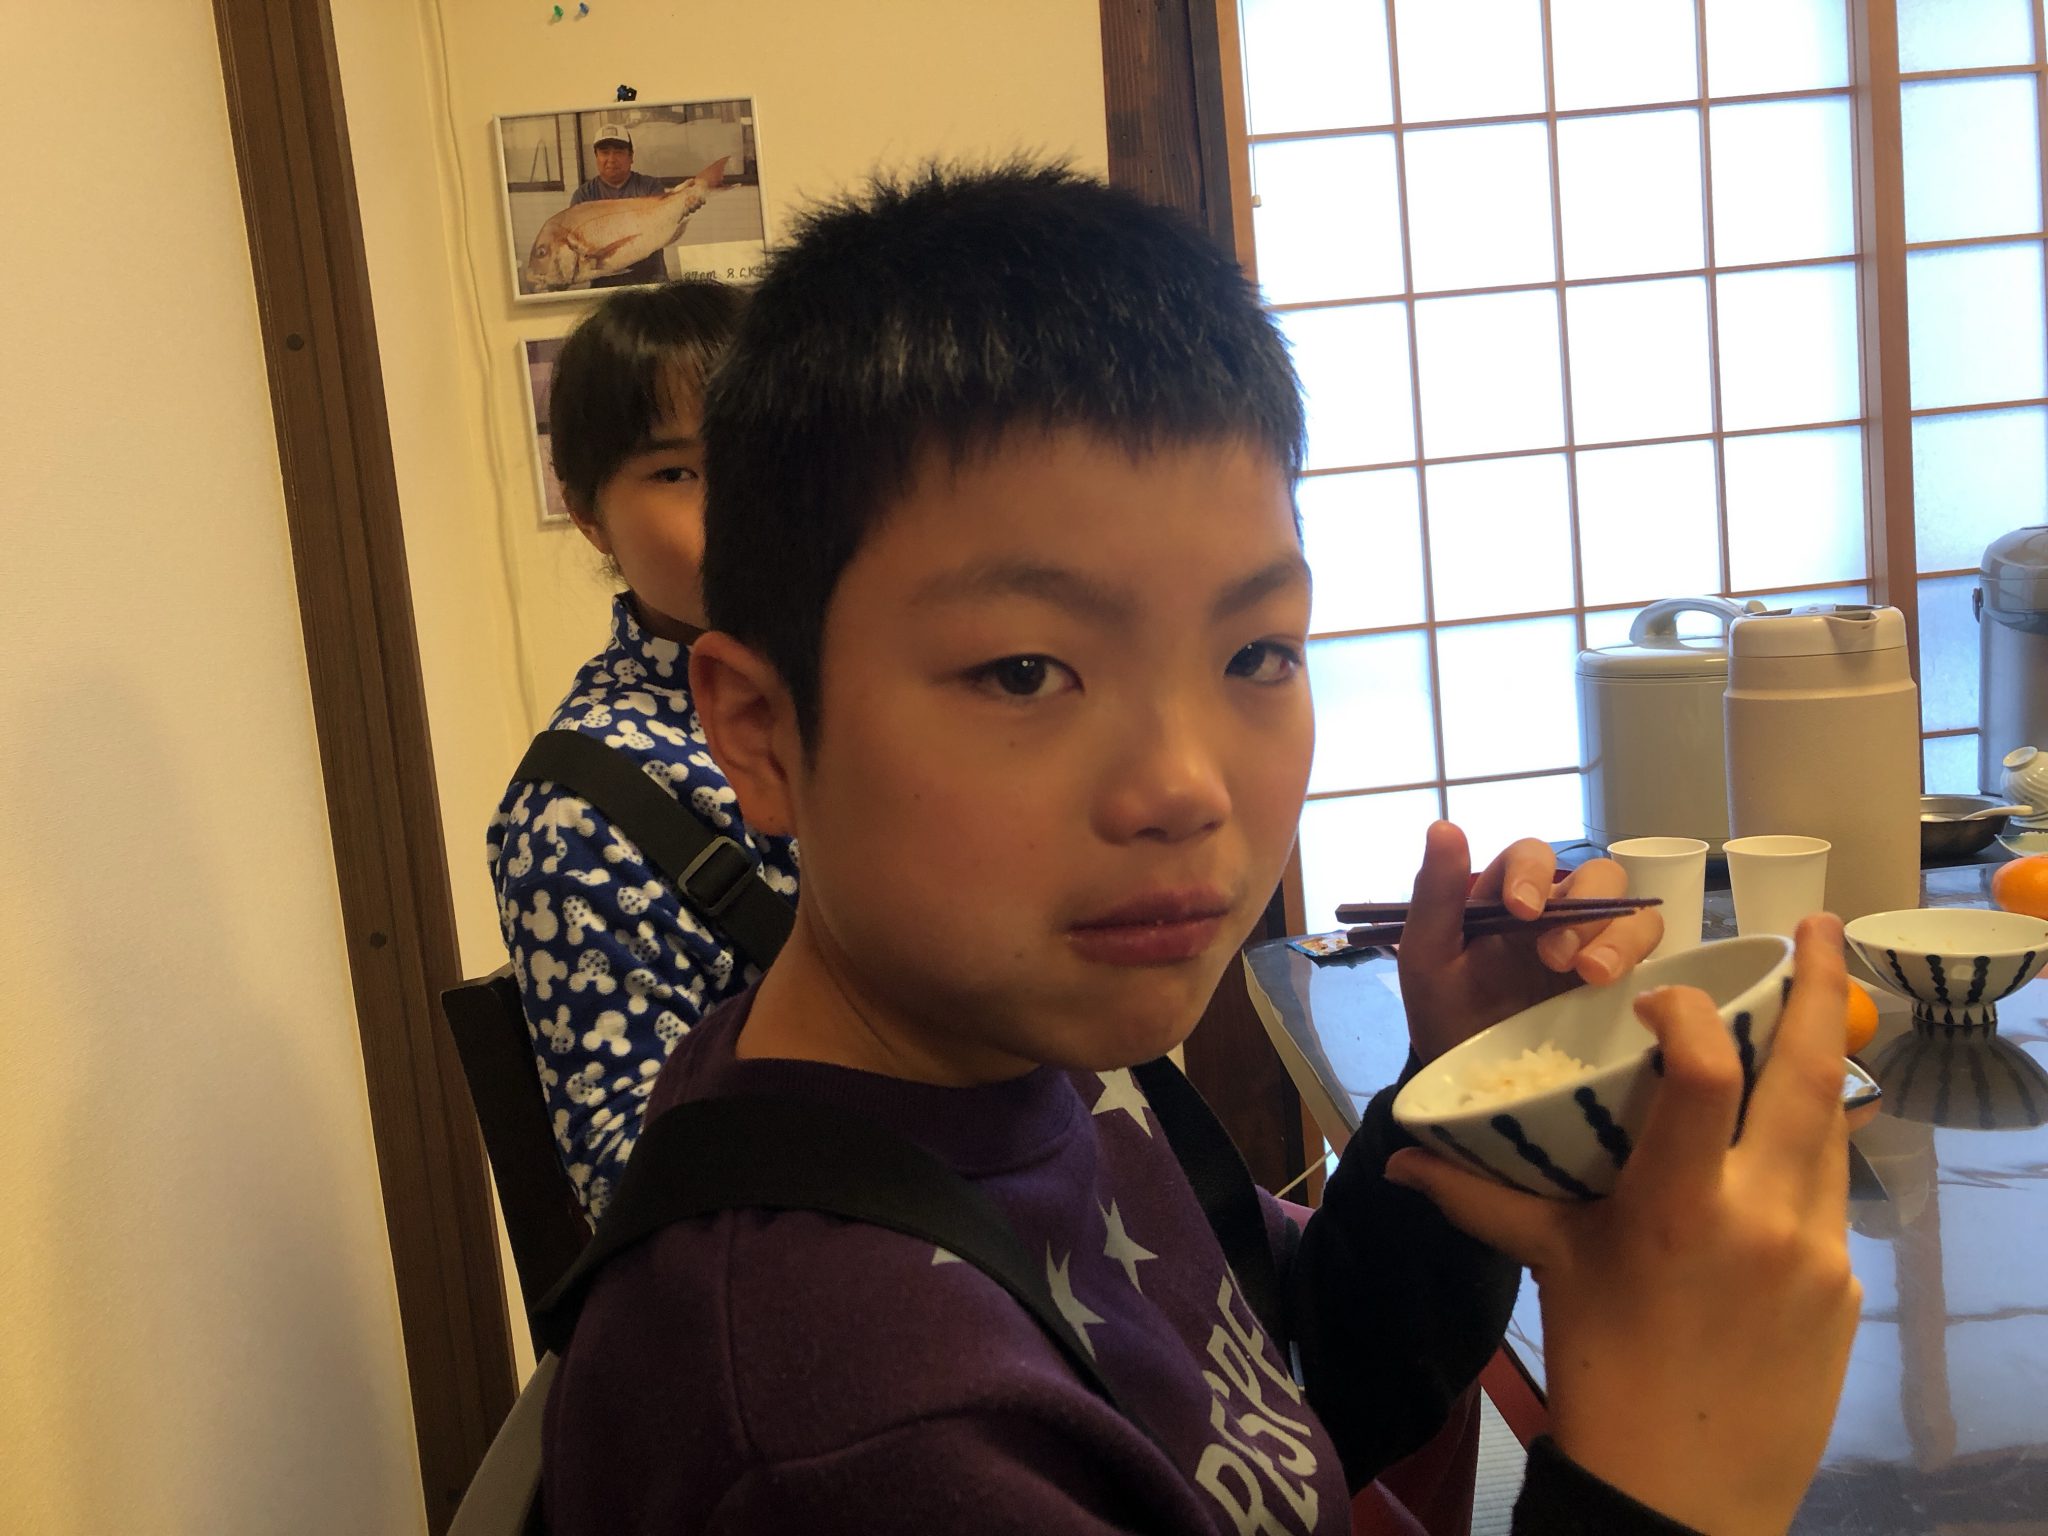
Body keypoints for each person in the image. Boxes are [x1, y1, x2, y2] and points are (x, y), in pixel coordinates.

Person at [542, 165, 1863, 1535]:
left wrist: (1467, 1088)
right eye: (1023, 670)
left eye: (1255, 654)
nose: (1184, 788)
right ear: (759, 730)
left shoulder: (1035, 1045)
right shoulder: (851, 1438)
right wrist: (1662, 1482)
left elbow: (1298, 1396)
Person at [487, 279, 800, 1220]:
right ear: (587, 512)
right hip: (830, 1252)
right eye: (678, 473)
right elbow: (637, 1179)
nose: (744, 506)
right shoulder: (579, 807)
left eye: (771, 456)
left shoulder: (892, 688)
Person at [567, 124, 668, 287]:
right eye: (604, 152)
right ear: (596, 157)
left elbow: (660, 230)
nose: (611, 159)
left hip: (651, 283)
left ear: (631, 156)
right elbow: (578, 248)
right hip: (604, 287)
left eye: (619, 152)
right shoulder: (584, 196)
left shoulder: (649, 187)